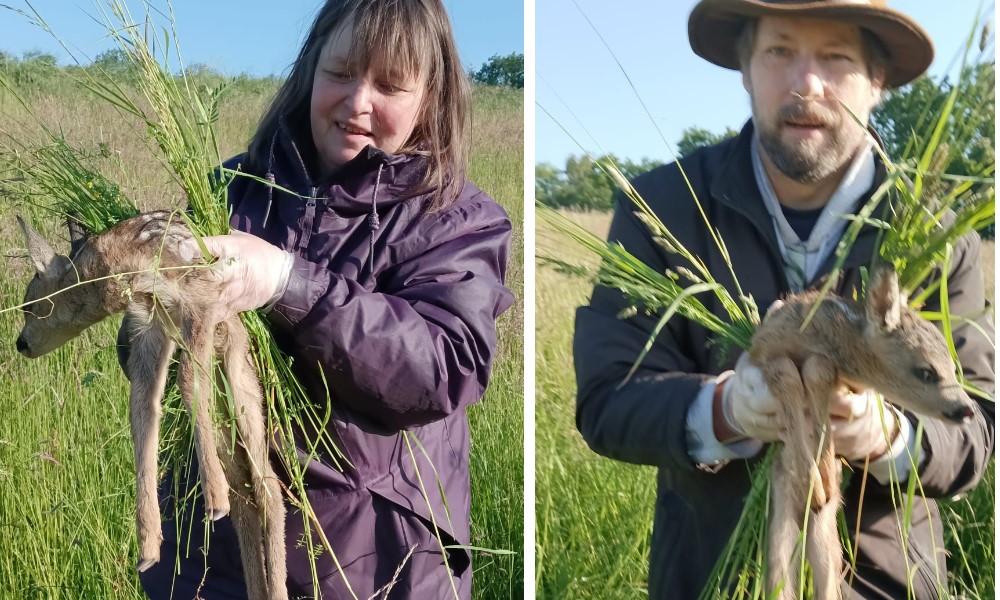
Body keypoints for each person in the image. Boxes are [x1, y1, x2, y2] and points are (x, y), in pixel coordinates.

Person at [573, 1, 994, 599]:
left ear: (877, 80)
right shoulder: (663, 207)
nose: (807, 82)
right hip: (710, 580)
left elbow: (977, 431)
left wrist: (887, 435)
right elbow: (607, 401)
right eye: (779, 51)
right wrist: (724, 410)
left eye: (836, 56)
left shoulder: (936, 235)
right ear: (745, 68)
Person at [121, 0, 514, 598]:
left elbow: (444, 366)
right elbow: (143, 363)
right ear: (310, 71)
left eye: (390, 85)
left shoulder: (457, 219)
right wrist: (153, 309)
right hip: (215, 554)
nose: (358, 101)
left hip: (372, 562)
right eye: (341, 73)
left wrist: (286, 283)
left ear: (431, 97)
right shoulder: (230, 190)